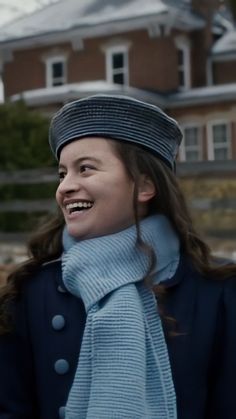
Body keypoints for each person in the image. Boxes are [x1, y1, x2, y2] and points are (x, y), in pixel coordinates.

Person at [0, 94, 235, 419]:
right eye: (62, 173)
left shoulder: (217, 290)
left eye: (85, 169)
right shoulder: (30, 292)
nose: (65, 187)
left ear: (144, 185)